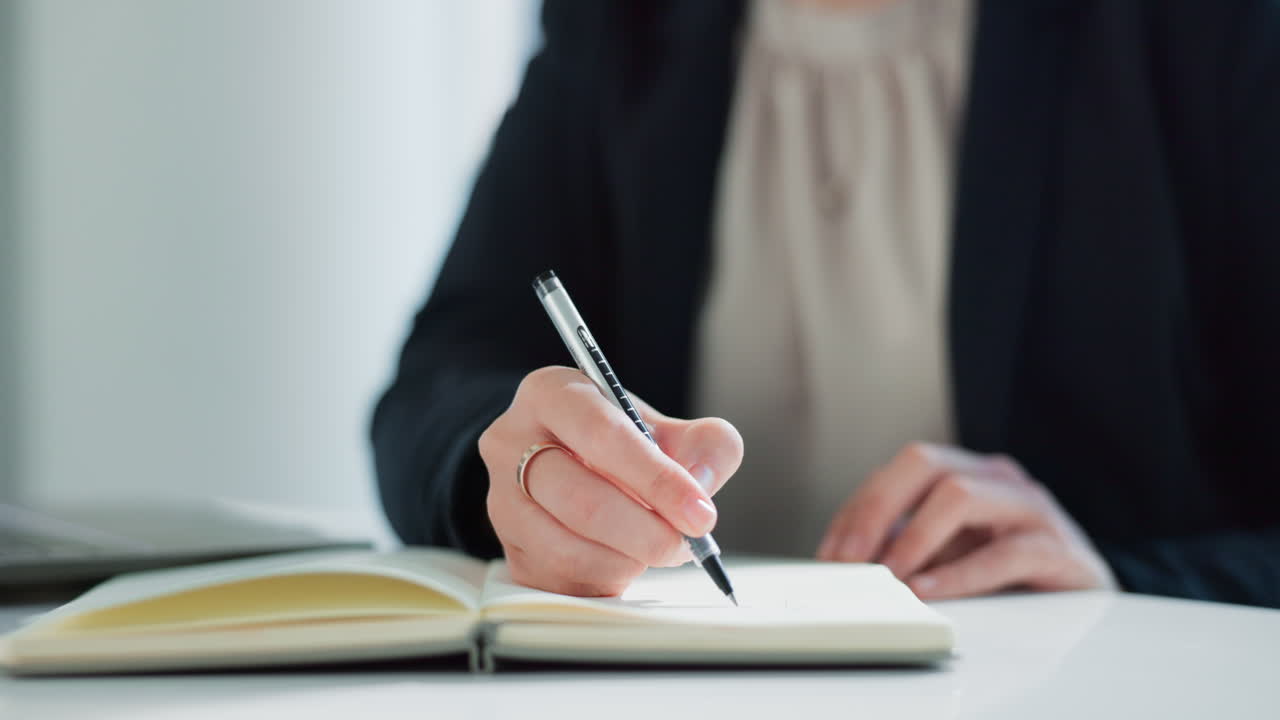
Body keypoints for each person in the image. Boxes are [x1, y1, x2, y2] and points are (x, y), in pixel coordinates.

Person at [372, 0, 1280, 608]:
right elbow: (441, 377)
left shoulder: (1204, 31)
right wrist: (517, 472)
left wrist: (1118, 583)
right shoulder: (619, 26)